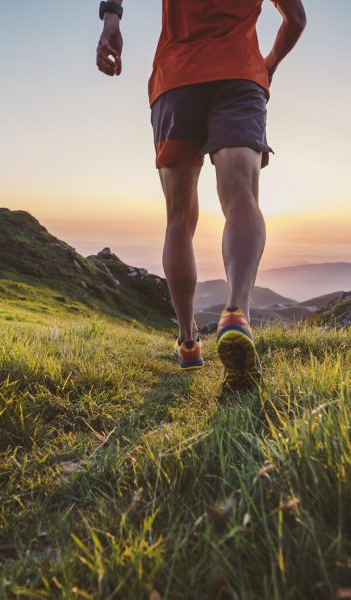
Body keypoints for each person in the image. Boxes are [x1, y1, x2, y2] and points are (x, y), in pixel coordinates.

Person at [96, 0, 306, 392]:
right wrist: (269, 64)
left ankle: (189, 341)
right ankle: (237, 312)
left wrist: (110, 18)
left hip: (176, 80)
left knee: (179, 218)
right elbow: (295, 19)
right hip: (240, 77)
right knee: (240, 194)